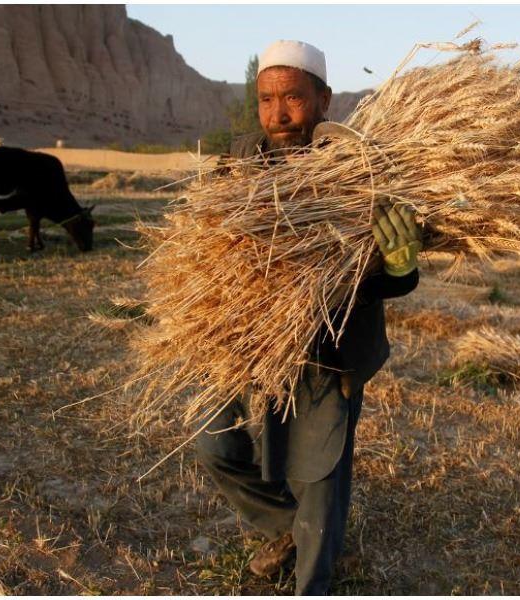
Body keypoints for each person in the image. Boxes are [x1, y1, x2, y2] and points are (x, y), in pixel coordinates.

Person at [193, 40, 422, 595]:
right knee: (214, 444)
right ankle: (283, 527)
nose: (279, 113)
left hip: (330, 348)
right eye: (267, 99)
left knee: (317, 477)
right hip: (248, 342)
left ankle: (311, 581)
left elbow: (397, 272)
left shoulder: (360, 168)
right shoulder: (239, 164)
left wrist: (399, 264)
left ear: (323, 99)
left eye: (292, 97)